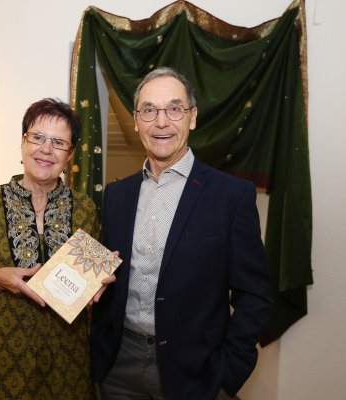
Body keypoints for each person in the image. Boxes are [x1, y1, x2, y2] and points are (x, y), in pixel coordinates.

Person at [91, 67, 272, 400]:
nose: (161, 122)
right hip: (117, 368)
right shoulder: (116, 196)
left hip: (196, 373)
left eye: (174, 109)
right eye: (149, 110)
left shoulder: (231, 196)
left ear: (192, 117)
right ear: (136, 120)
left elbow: (254, 295)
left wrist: (227, 377)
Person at [0, 98, 111, 400]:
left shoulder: (85, 209)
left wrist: (99, 281)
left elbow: (87, 288)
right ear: (23, 142)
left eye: (59, 143)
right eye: (37, 137)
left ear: (70, 154)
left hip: (65, 366)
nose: (46, 149)